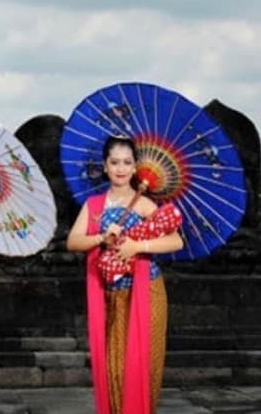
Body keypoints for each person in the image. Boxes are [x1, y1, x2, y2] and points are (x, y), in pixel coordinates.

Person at [66, 136, 184, 414]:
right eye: (114, 162)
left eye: (127, 162)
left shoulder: (144, 204)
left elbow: (176, 241)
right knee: (114, 369)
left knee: (144, 367)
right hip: (111, 296)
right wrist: (101, 239)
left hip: (146, 291)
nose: (120, 168)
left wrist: (137, 247)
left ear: (135, 169)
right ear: (105, 167)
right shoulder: (94, 206)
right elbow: (73, 241)